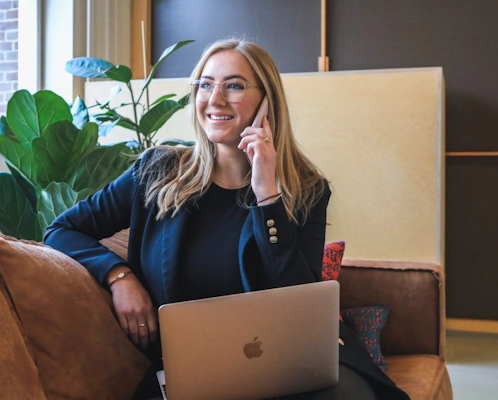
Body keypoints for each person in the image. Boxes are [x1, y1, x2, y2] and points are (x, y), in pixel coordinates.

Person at [44, 38, 410, 400]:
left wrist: (268, 196)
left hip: (292, 363)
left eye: (234, 86)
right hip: (194, 369)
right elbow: (61, 229)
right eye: (205, 85)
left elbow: (300, 301)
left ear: (267, 102)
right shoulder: (156, 172)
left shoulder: (306, 189)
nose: (214, 99)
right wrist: (119, 276)